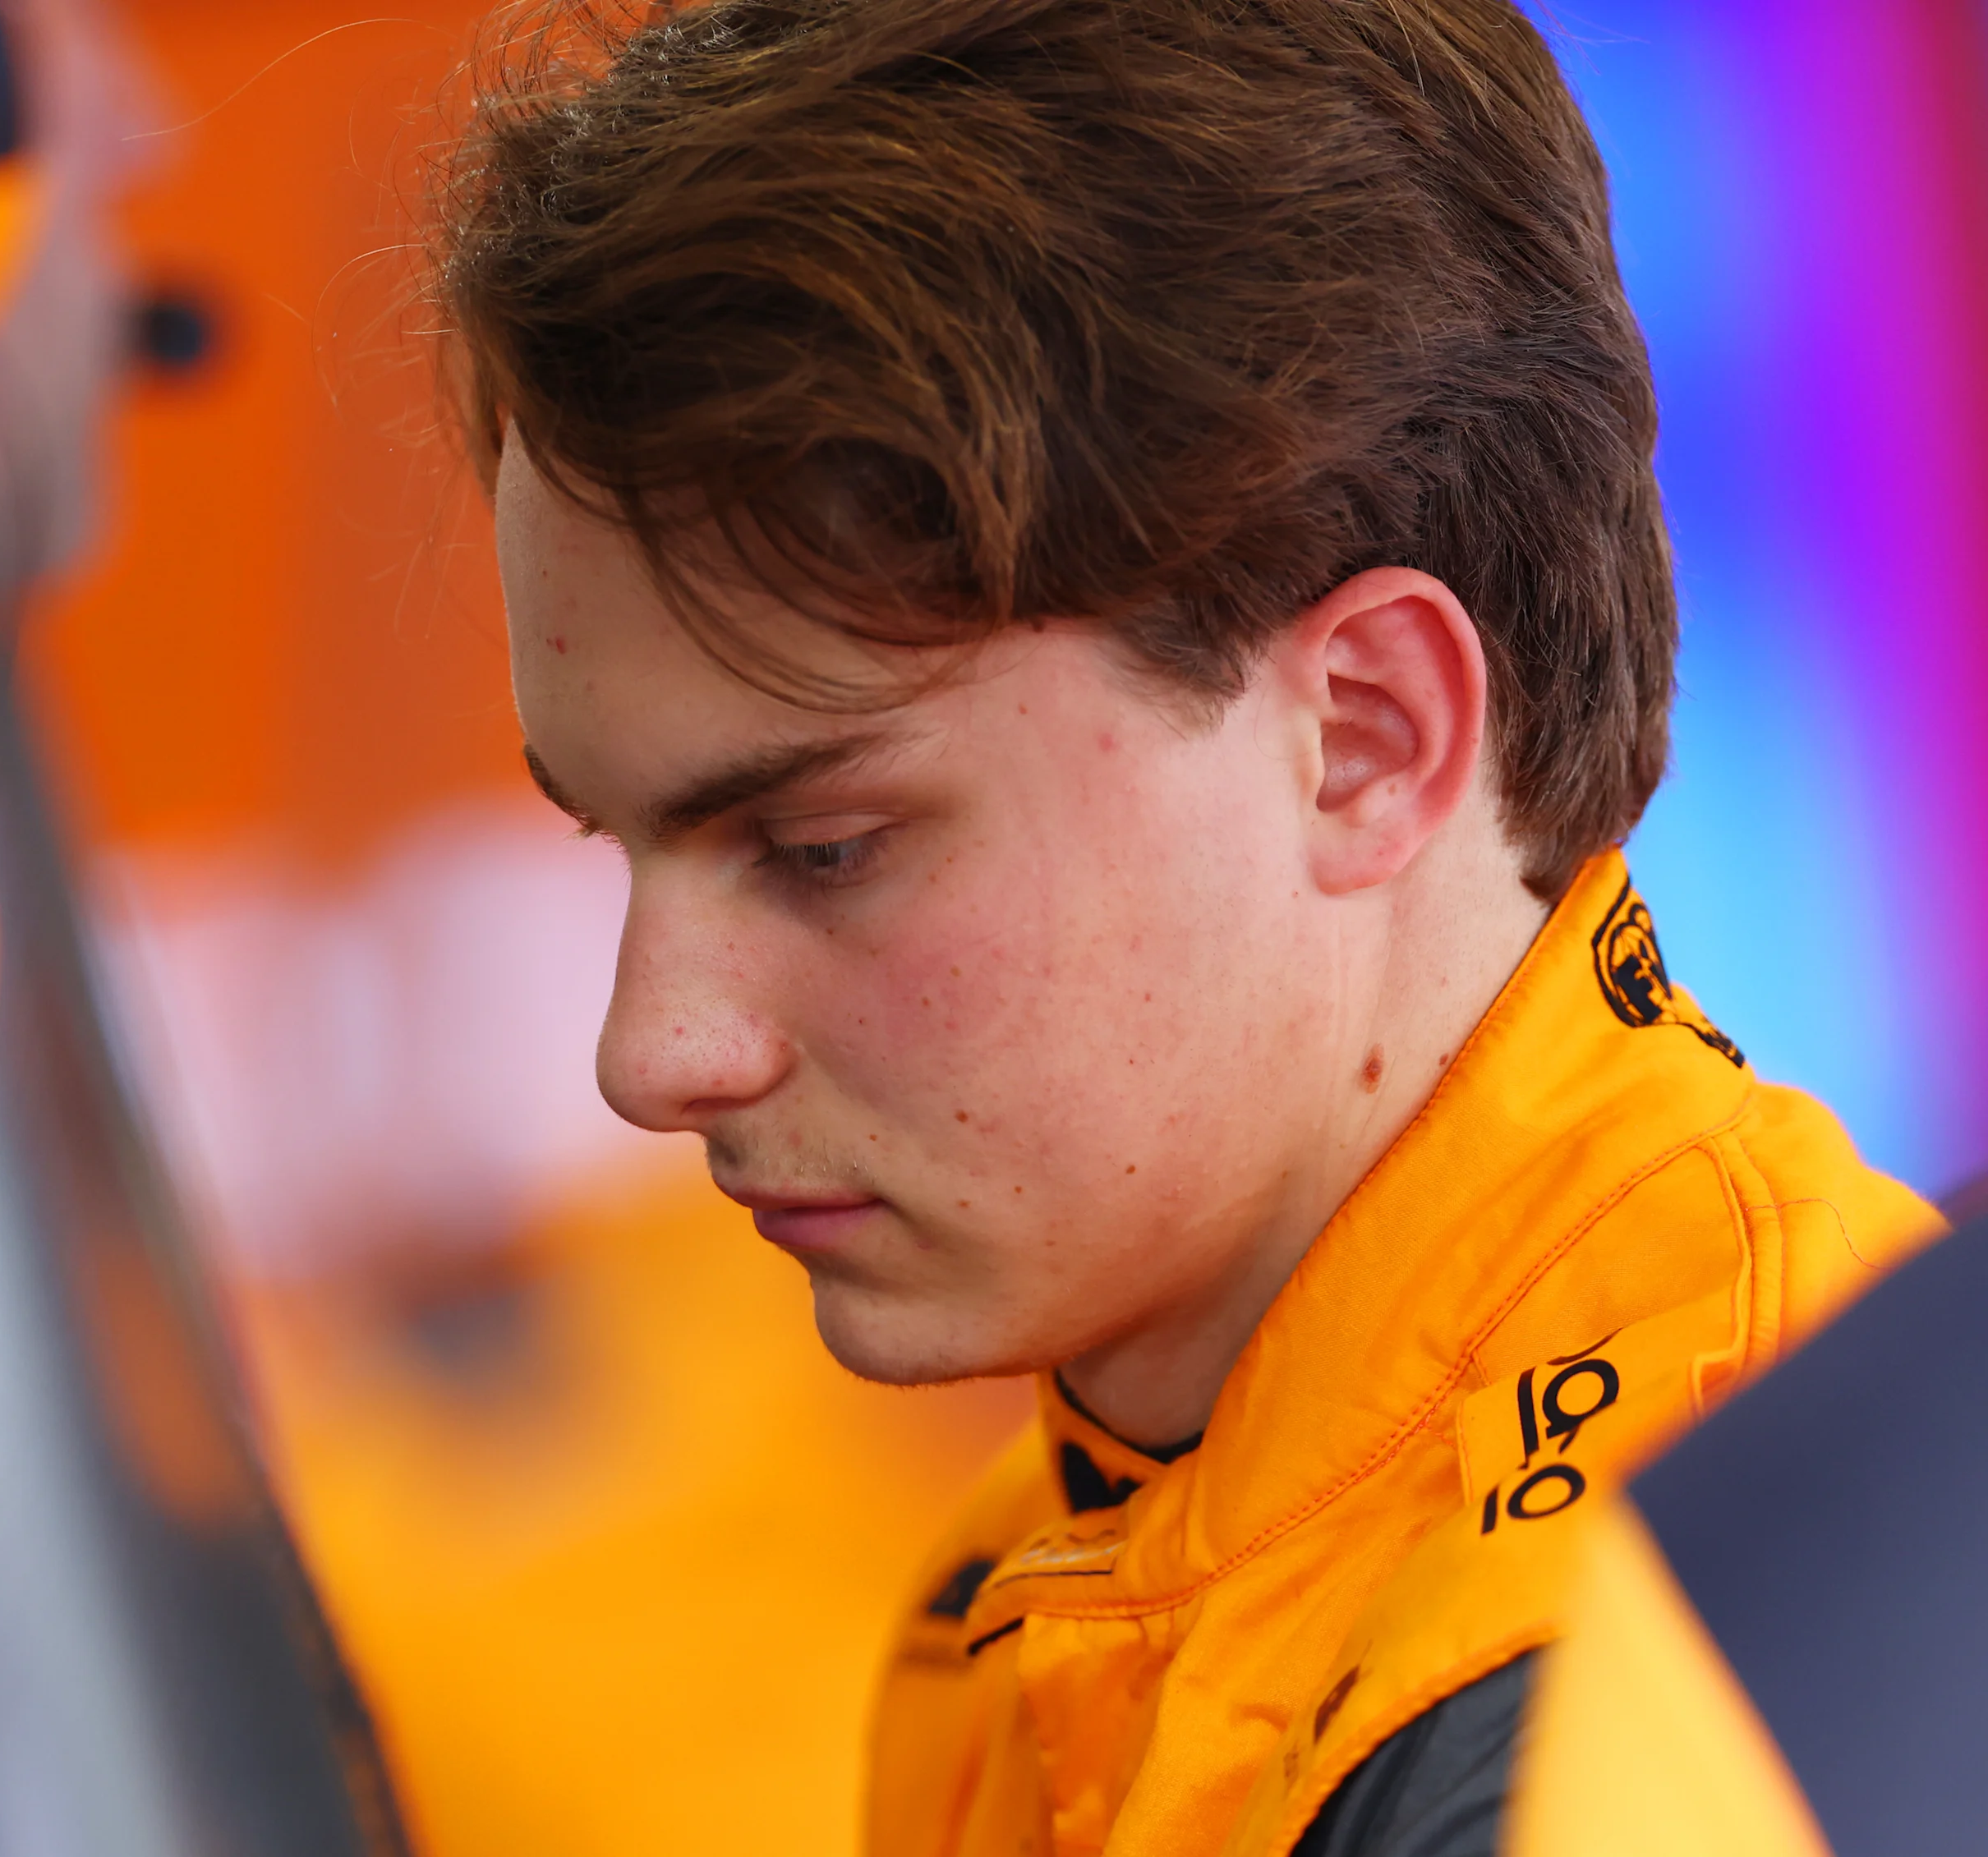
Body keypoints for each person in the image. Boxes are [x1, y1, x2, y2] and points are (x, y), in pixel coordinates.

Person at [426, 2, 1945, 1854]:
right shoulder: (1064, 1568)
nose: (651, 1052)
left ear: (1366, 738)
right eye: (617, 840)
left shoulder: (1689, 1705)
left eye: (820, 844)